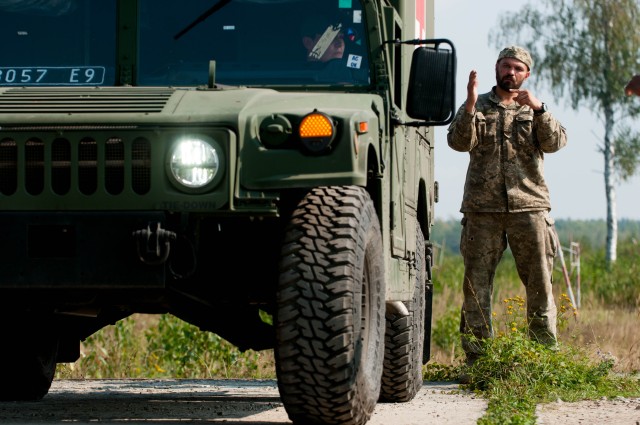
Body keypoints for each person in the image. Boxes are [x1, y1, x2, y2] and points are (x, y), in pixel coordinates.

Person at [446, 46, 568, 379]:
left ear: (526, 73)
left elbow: (557, 143)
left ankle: (544, 361)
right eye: (505, 66)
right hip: (482, 209)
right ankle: (478, 362)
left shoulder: (534, 109)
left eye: (517, 68)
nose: (510, 72)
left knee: (540, 283)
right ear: (496, 68)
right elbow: (457, 142)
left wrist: (541, 110)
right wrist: (470, 104)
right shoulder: (478, 105)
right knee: (476, 285)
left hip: (529, 206)